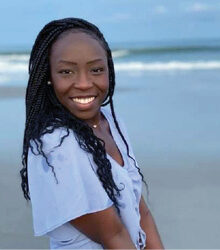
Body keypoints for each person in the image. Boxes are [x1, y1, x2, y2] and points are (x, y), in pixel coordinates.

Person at [20, 17, 164, 249]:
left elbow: (141, 213)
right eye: (67, 72)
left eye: (96, 69)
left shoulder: (111, 121)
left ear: (109, 70)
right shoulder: (54, 145)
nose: (85, 83)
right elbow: (113, 235)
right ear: (49, 76)